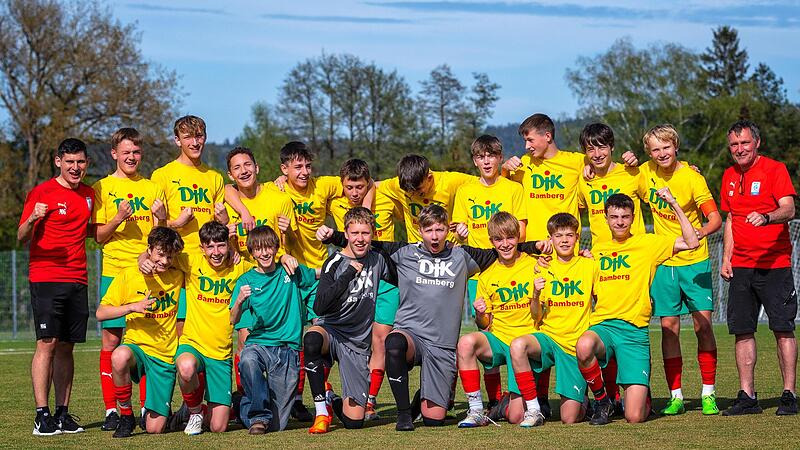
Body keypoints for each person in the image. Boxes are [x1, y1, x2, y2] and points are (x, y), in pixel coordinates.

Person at [319, 205, 547, 431]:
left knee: (434, 420)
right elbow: (367, 242)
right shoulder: (404, 252)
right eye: (429, 231)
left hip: (442, 345)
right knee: (394, 342)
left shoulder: (462, 255)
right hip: (411, 335)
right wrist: (333, 236)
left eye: (440, 230)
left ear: (448, 229)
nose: (435, 236)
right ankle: (404, 414)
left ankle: (430, 396)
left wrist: (534, 246)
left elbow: (500, 249)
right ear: (419, 230)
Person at [575, 192, 699, 425]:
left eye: (625, 216)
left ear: (633, 218)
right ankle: (602, 400)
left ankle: (641, 397)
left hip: (634, 332)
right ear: (606, 218)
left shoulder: (648, 244)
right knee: (583, 345)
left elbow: (692, 242)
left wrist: (674, 203)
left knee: (634, 417)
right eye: (614, 216)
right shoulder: (597, 249)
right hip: (604, 326)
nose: (619, 221)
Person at [629, 124, 722, 415]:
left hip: (695, 262)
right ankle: (676, 396)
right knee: (668, 329)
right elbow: (619, 174)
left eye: (666, 147)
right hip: (665, 261)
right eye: (655, 149)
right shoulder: (646, 172)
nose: (661, 153)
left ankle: (708, 393)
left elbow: (716, 218)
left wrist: (699, 233)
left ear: (676, 146)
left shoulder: (692, 177)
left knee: (702, 326)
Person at [720, 119, 798, 416]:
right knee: (742, 331)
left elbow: (789, 208)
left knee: (783, 328)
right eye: (734, 145)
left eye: (744, 143)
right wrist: (727, 257)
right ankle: (747, 396)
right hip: (741, 267)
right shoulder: (728, 175)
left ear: (757, 143)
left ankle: (789, 394)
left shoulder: (774, 169)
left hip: (774, 265)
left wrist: (766, 218)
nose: (739, 149)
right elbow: (730, 219)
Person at [92, 128, 167, 431]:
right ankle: (113, 409)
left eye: (136, 152)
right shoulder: (102, 187)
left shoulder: (152, 187)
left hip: (147, 272)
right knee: (111, 342)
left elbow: (160, 235)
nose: (132, 157)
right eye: (126, 153)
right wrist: (118, 218)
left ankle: (147, 407)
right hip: (114, 271)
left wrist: (161, 218)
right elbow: (98, 236)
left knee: (147, 341)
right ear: (114, 154)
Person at [19, 138, 94, 436]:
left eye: (81, 162)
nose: (76, 168)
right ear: (58, 161)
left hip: (78, 279)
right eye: (70, 162)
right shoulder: (42, 192)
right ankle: (42, 416)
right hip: (47, 277)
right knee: (46, 343)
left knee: (67, 347)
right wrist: (34, 217)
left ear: (86, 164)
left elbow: (90, 231)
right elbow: (21, 235)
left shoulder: (89, 195)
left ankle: (62, 414)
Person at [452, 135, 528, 416]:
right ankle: (494, 399)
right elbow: (459, 227)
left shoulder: (512, 189)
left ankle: (521, 396)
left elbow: (520, 231)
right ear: (475, 161)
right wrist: (459, 231)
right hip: (476, 271)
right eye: (481, 157)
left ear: (499, 159)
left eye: (492, 156)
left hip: (506, 263)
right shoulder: (465, 191)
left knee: (516, 331)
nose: (487, 161)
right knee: (486, 331)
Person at [305, 207, 397, 434]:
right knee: (312, 340)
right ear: (345, 234)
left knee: (354, 422)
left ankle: (330, 398)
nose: (360, 239)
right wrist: (348, 275)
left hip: (357, 342)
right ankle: (321, 413)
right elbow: (320, 306)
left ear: (373, 234)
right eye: (355, 233)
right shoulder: (334, 261)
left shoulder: (379, 261)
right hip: (332, 330)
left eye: (365, 233)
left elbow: (399, 282)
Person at [327, 159, 401, 420]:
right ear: (342, 186)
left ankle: (370, 400)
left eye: (360, 186)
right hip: (353, 277)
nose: (355, 192)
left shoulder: (387, 197)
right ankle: (326, 396)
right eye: (350, 187)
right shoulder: (334, 202)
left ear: (369, 183)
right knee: (340, 336)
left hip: (386, 278)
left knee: (379, 339)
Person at [95, 226, 185, 438]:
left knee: (155, 429)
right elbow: (100, 313)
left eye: (169, 257)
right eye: (160, 255)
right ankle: (126, 415)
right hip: (137, 347)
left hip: (164, 356)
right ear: (150, 250)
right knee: (118, 355)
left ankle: (179, 413)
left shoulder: (178, 275)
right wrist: (131, 307)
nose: (164, 261)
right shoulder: (129, 275)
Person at [230, 225, 319, 434]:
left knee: (277, 425)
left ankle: (242, 403)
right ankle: (258, 415)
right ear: (251, 252)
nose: (264, 253)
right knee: (248, 359)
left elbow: (317, 275)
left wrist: (344, 265)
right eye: (259, 249)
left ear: (276, 248)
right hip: (259, 343)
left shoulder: (291, 271)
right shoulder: (246, 281)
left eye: (268, 247)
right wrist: (240, 302)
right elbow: (232, 320)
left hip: (287, 349)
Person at [509, 213, 595, 427]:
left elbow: (601, 301)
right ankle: (534, 409)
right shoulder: (542, 268)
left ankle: (585, 399)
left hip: (574, 345)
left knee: (569, 418)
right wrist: (536, 294)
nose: (564, 240)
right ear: (551, 239)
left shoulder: (590, 266)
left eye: (569, 235)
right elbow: (536, 316)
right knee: (518, 344)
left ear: (577, 237)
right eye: (558, 236)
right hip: (548, 338)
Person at [167, 221, 254, 435]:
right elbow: (159, 254)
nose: (216, 252)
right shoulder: (190, 261)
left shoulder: (239, 265)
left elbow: (266, 265)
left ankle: (208, 409)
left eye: (221, 245)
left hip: (220, 352)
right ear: (202, 248)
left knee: (218, 427)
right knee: (186, 367)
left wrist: (286, 257)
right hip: (193, 343)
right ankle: (194, 412)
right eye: (210, 247)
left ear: (228, 245)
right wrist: (143, 259)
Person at [455, 212, 537, 427]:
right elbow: (485, 325)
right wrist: (481, 314)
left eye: (510, 237)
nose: (506, 244)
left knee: (516, 417)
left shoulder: (535, 265)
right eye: (499, 239)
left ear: (518, 237)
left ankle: (503, 403)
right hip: (500, 340)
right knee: (465, 342)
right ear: (491, 242)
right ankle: (476, 410)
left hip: (527, 341)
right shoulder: (486, 275)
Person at [150, 115, 229, 335]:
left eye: (199, 136)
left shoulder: (214, 177)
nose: (195, 143)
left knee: (208, 332)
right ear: (177, 140)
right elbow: (155, 230)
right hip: (175, 263)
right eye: (188, 137)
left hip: (206, 265)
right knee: (178, 332)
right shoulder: (162, 176)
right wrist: (176, 223)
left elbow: (219, 227)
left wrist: (224, 222)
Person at [378, 154, 476, 243]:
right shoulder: (399, 185)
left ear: (429, 178)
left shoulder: (449, 182)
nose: (413, 195)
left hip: (448, 248)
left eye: (418, 190)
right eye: (409, 192)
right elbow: (371, 185)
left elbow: (481, 183)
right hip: (417, 250)